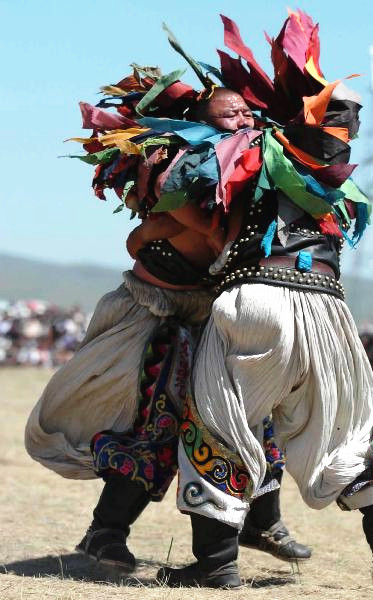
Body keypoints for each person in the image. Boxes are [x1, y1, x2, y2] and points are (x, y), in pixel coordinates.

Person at [153, 14, 373, 589]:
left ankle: (217, 566)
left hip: (256, 299)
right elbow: (331, 114)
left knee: (220, 423)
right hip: (327, 307)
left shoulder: (247, 153)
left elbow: (171, 189)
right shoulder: (337, 179)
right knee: (347, 422)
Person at [25, 90, 310, 573]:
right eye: (229, 113)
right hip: (156, 317)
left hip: (215, 319)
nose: (243, 118)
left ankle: (263, 522)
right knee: (154, 426)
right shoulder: (178, 169)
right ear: (202, 123)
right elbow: (146, 236)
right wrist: (197, 236)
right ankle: (105, 533)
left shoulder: (261, 174)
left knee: (253, 420)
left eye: (247, 111)